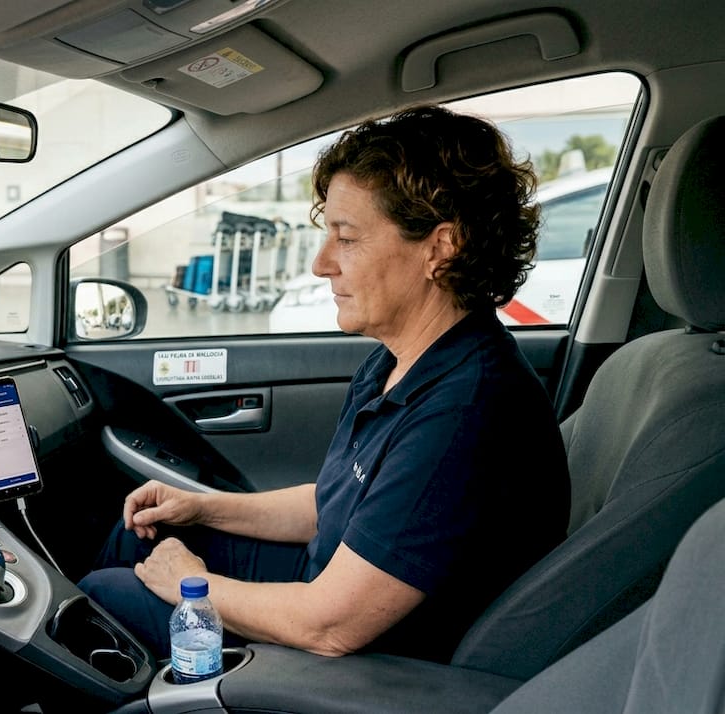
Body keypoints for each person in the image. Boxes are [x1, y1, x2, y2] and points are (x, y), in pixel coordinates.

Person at [78, 105, 571, 665]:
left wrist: (191, 585)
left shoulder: (466, 412)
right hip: (331, 581)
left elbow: (330, 627)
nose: (321, 263)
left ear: (439, 247)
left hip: (368, 668)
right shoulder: (400, 362)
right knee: (141, 535)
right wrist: (202, 508)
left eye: (347, 237)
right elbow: (334, 506)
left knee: (102, 601)